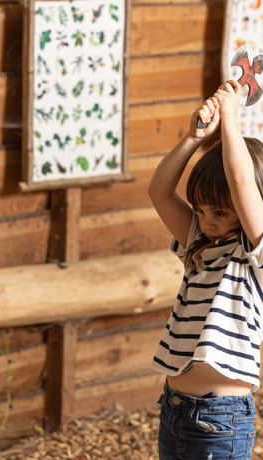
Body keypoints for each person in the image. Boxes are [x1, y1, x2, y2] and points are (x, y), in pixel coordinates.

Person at [148, 80, 263, 460]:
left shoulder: (254, 254)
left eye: (220, 211)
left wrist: (231, 118)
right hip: (174, 409)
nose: (207, 221)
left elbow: (241, 180)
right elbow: (160, 191)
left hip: (222, 419)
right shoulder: (200, 246)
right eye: (200, 209)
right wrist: (195, 137)